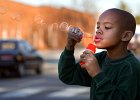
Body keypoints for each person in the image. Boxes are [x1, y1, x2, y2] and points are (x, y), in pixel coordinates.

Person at [58, 8, 140, 100]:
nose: (98, 31)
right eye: (98, 27)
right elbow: (67, 75)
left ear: (126, 36)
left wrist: (97, 74)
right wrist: (70, 46)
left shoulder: (130, 67)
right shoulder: (100, 58)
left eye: (107, 27)